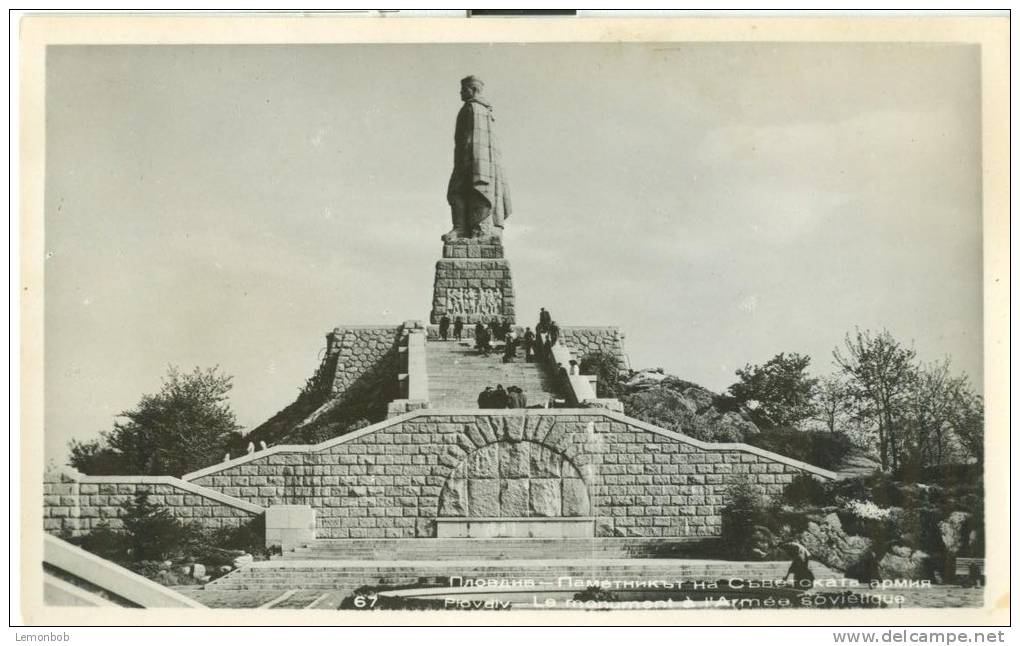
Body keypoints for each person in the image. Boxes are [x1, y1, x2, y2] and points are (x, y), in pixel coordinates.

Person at [444, 75, 512, 241]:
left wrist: (472, 167)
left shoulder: (474, 108)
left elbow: (475, 141)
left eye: (464, 89)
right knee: (462, 192)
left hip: (473, 162)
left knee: (458, 192)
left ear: (473, 90)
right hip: (471, 160)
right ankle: (467, 228)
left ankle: (470, 229)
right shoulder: (481, 109)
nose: (460, 92)